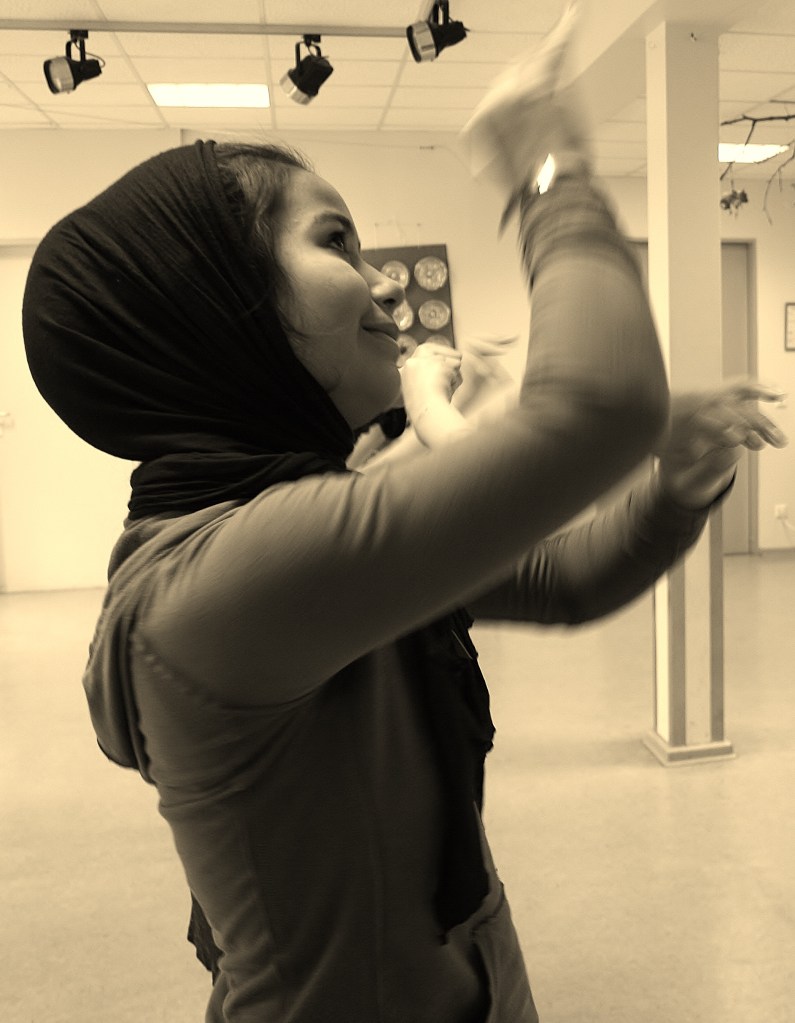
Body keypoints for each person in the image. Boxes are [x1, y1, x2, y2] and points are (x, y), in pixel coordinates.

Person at [21, 6, 785, 1021]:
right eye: (335, 242)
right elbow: (597, 406)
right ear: (215, 306)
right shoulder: (218, 580)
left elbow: (562, 577)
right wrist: (548, 172)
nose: (383, 284)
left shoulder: (295, 518)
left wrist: (678, 482)